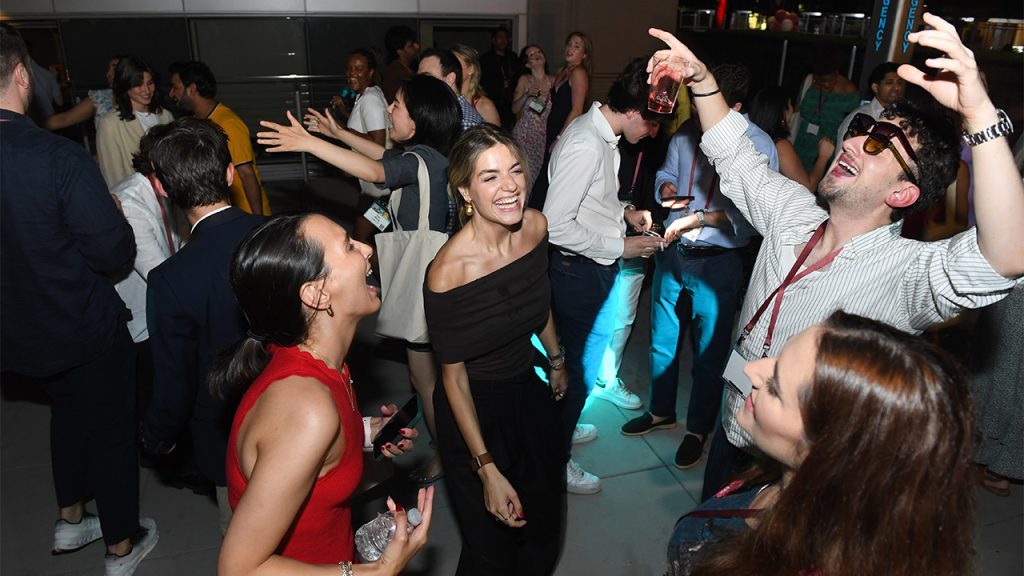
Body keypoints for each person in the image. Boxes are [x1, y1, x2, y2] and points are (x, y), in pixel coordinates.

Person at [646, 12, 1023, 500]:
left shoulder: (908, 274)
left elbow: (1007, 255)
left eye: (880, 143)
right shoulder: (793, 213)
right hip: (736, 429)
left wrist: (980, 116)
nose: (854, 140)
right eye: (864, 126)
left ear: (903, 194)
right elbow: (734, 152)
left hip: (802, 474)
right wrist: (700, 79)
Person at [0, 24, 158, 576]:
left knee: (65, 412)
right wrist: (113, 217)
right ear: (22, 76)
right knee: (111, 429)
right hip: (82, 323)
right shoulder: (58, 158)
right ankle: (121, 545)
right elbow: (114, 253)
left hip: (20, 328)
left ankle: (71, 518)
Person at [263, 73, 462, 487]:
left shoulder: (418, 161)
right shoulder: (430, 156)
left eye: (398, 104)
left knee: (427, 380)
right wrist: (339, 134)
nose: (390, 109)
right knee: (428, 374)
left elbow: (376, 169)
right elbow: (384, 158)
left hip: (422, 281)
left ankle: (448, 454)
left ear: (418, 120)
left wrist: (310, 144)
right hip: (430, 275)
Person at [666, 312, 975, 576]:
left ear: (828, 451)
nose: (751, 370)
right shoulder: (780, 476)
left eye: (775, 387)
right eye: (777, 359)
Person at [212, 213, 432, 574]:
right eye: (348, 246)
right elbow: (239, 569)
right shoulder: (307, 408)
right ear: (317, 294)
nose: (366, 250)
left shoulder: (321, 363)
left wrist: (365, 432)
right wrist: (376, 572)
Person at [621, 64, 779, 472]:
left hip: (718, 263)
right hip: (674, 253)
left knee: (709, 355)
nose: (695, 109)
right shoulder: (685, 134)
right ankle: (661, 411)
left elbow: (755, 217)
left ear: (735, 106)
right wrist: (665, 187)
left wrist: (703, 219)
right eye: (695, 99)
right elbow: (665, 172)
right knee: (661, 341)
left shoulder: (758, 145)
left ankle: (698, 429)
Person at [424, 124, 567, 575]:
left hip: (526, 390)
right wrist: (485, 467)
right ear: (465, 191)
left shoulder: (536, 227)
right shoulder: (447, 273)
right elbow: (452, 378)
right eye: (490, 177)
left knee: (543, 525)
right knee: (491, 550)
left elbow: (539, 300)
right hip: (473, 410)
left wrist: (556, 360)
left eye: (515, 170)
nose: (510, 186)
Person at [543, 58, 667, 494]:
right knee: (579, 371)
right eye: (651, 122)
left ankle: (562, 425)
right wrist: (623, 247)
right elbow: (555, 226)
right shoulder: (586, 144)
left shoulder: (601, 135)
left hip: (588, 269)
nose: (653, 132)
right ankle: (556, 459)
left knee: (576, 368)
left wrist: (625, 213)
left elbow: (590, 201)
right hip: (581, 274)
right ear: (632, 110)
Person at [141, 117, 265, 534]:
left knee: (245, 541)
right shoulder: (282, 234)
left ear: (162, 187)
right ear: (229, 173)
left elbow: (174, 376)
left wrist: (158, 434)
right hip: (301, 409)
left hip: (230, 434)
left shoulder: (170, 279)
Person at [110, 123, 184, 419]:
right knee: (150, 397)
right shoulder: (130, 203)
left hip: (162, 311)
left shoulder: (166, 188)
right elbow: (159, 272)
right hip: (141, 320)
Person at [169, 61, 271, 216]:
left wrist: (258, 220)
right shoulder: (198, 122)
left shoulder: (228, 123)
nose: (171, 94)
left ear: (191, 89)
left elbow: (247, 174)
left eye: (175, 87)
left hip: (247, 215)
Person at [528, 31, 591, 210]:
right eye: (569, 44)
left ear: (584, 55)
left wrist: (559, 138)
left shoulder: (579, 73)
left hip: (565, 132)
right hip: (553, 128)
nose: (570, 48)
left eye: (577, 46)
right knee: (545, 177)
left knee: (550, 180)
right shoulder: (562, 71)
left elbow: (577, 110)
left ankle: (541, 218)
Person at [97, 55, 173, 188]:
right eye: (138, 84)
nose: (146, 90)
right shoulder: (109, 124)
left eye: (150, 83)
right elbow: (113, 176)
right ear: (125, 86)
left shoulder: (165, 116)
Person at [747, 86, 834, 191]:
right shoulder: (780, 145)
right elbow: (808, 187)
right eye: (790, 105)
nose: (793, 110)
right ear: (782, 112)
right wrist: (823, 156)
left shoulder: (749, 133)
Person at [790, 48, 858, 172]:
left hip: (828, 147)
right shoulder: (809, 81)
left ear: (837, 72)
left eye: (829, 81)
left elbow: (852, 124)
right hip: (801, 144)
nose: (825, 85)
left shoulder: (848, 90)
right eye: (820, 81)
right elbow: (797, 110)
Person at [511, 44, 553, 194]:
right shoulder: (525, 80)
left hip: (544, 137)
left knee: (540, 181)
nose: (537, 54)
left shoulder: (554, 81)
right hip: (525, 135)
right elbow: (514, 109)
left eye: (539, 51)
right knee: (524, 179)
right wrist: (526, 95)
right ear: (527, 64)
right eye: (531, 54)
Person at [835, 61, 906, 146]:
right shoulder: (860, 118)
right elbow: (843, 149)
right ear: (875, 87)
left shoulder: (903, 117)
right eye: (889, 83)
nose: (897, 88)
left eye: (899, 83)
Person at [45, 55, 121, 131]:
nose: (108, 74)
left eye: (114, 69)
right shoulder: (100, 98)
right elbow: (63, 119)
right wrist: (37, 126)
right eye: (108, 69)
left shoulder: (129, 96)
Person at [418, 48, 484, 131]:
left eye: (428, 77)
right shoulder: (439, 111)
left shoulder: (464, 123)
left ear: (450, 79)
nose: (420, 83)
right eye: (419, 78)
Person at [479, 27, 521, 129]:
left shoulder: (513, 57)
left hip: (511, 102)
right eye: (500, 37)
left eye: (505, 38)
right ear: (493, 40)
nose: (503, 40)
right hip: (494, 102)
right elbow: (480, 81)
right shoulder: (486, 59)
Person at [451, 43, 500, 126]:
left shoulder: (485, 106)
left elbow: (495, 134)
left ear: (471, 69)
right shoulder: (447, 99)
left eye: (456, 64)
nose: (450, 68)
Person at [382, 25, 419, 104]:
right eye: (411, 45)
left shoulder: (407, 68)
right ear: (400, 51)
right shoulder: (396, 73)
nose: (417, 46)